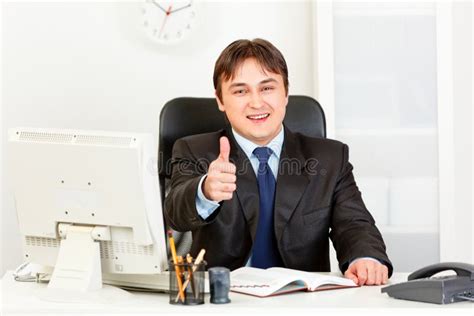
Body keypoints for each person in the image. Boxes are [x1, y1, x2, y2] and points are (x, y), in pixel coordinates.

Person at [164, 38, 393, 286]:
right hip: (226, 301)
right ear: (220, 100)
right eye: (240, 91)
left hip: (302, 300)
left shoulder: (330, 158)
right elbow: (176, 212)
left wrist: (365, 257)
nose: (256, 103)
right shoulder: (194, 150)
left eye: (267, 88)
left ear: (285, 93)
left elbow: (354, 224)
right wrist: (206, 190)